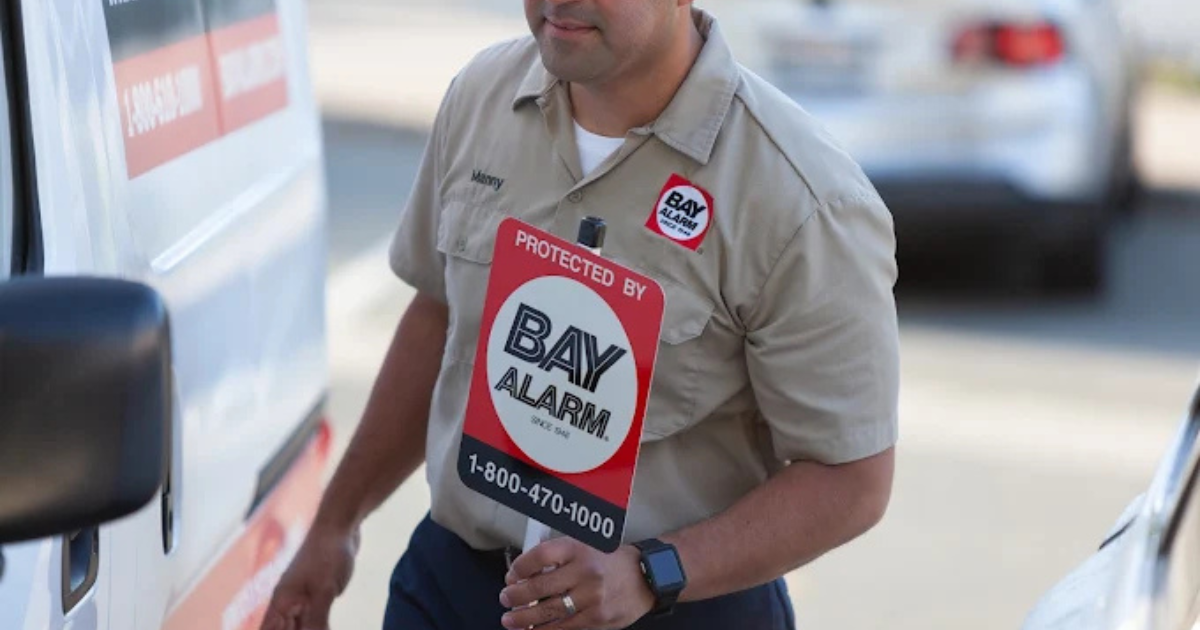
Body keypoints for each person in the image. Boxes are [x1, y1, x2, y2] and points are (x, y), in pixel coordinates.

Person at [261, 1, 900, 629]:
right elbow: (438, 316)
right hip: (457, 585)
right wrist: (334, 525)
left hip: (678, 610)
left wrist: (654, 573)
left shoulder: (802, 195)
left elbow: (852, 478)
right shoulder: (481, 97)